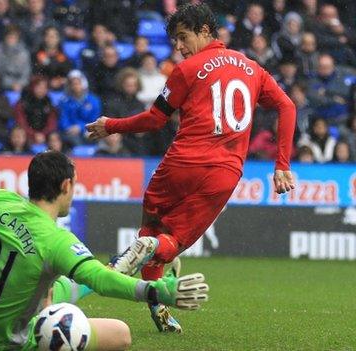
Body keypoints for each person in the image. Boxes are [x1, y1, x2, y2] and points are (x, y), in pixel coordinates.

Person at [86, 3, 296, 333]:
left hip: (178, 164)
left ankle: (158, 307)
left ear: (205, 31)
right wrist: (281, 165)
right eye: (175, 42)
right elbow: (287, 105)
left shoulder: (187, 70)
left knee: (150, 232)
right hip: (222, 173)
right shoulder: (253, 68)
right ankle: (153, 267)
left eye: (183, 38)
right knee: (169, 243)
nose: (180, 48)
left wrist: (111, 125)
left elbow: (155, 119)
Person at [0, 117, 208, 350]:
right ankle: (113, 269)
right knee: (121, 333)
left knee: (53, 287)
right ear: (66, 185)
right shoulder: (56, 242)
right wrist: (158, 292)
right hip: (0, 339)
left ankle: (114, 266)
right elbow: (101, 282)